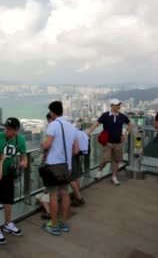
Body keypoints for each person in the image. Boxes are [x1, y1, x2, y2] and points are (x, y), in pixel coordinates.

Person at [41, 101, 80, 236]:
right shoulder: (71, 126)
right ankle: (64, 223)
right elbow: (76, 150)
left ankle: (55, 226)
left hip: (53, 166)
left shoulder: (53, 125)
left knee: (53, 195)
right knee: (65, 194)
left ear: (52, 112)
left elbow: (47, 145)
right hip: (66, 166)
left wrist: (43, 144)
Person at [0, 117, 28, 244]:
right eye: (6, 128)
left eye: (10, 129)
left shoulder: (20, 140)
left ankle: (7, 223)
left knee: (8, 200)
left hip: (8, 175)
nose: (7, 130)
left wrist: (23, 162)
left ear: (16, 130)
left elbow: (24, 155)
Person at [87, 99, 133, 186]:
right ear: (111, 105)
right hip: (107, 142)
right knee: (105, 159)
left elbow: (130, 124)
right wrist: (89, 132)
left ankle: (114, 176)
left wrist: (126, 134)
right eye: (116, 105)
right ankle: (100, 171)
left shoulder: (122, 116)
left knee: (116, 160)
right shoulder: (105, 115)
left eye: (119, 104)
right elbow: (96, 124)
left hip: (118, 142)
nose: (118, 106)